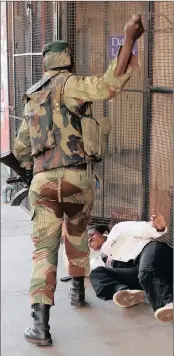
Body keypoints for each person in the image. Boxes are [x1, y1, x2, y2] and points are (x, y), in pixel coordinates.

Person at [14, 15, 144, 346]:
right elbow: (108, 86)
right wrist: (129, 40)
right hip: (77, 178)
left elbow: (20, 148)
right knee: (77, 237)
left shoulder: (32, 97)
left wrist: (32, 169)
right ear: (68, 60)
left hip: (42, 182)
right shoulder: (71, 84)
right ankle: (76, 293)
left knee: (44, 250)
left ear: (44, 64)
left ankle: (40, 326)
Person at [89, 213, 173, 322]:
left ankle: (168, 303)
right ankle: (125, 292)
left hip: (152, 251)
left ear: (104, 233)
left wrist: (158, 227)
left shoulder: (117, 230)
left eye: (91, 235)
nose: (89, 240)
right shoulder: (100, 259)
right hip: (141, 274)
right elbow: (88, 270)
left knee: (146, 271)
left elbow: (143, 229)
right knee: (96, 274)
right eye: (87, 239)